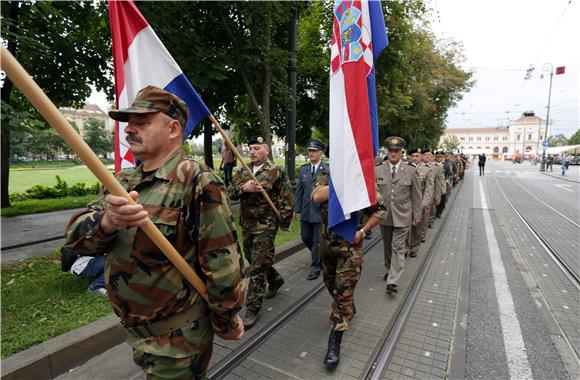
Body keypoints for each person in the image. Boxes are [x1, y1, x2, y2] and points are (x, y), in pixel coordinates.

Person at [63, 86, 245, 379]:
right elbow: (75, 241)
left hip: (179, 342)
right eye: (129, 122)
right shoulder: (122, 181)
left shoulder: (197, 181)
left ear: (173, 129)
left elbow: (222, 263)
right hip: (137, 336)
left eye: (142, 121)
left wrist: (225, 321)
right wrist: (108, 222)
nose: (129, 130)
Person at [311, 168, 385, 369]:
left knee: (343, 292)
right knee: (331, 285)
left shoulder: (362, 178)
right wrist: (342, 187)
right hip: (327, 247)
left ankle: (335, 341)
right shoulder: (327, 174)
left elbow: (380, 210)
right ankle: (347, 307)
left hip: (350, 249)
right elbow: (316, 196)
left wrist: (363, 230)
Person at [227, 135, 294, 329]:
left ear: (266, 149)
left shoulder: (276, 171)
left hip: (266, 226)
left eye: (257, 148)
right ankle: (275, 279)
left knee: (256, 268)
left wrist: (284, 221)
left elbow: (287, 198)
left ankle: (252, 308)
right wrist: (243, 188)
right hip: (247, 225)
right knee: (254, 258)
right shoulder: (243, 170)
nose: (252, 151)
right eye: (251, 148)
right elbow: (230, 192)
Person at [375, 137, 422, 295]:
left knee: (398, 247)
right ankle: (390, 269)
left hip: (403, 215)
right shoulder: (378, 169)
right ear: (387, 151)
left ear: (402, 152)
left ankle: (393, 281)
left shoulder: (411, 170)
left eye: (396, 151)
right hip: (384, 216)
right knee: (388, 247)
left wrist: (417, 214)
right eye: (391, 151)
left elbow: (416, 194)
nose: (393, 154)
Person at [294, 139, 329, 280]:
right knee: (306, 237)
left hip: (320, 212)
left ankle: (315, 266)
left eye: (314, 151)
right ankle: (319, 256)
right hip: (306, 211)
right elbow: (299, 192)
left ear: (321, 152)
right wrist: (296, 210)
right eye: (309, 151)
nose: (311, 153)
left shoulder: (327, 170)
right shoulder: (304, 169)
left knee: (316, 241)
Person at [406, 148, 434, 258]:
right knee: (404, 228)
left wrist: (424, 203)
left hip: (420, 203)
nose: (414, 158)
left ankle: (414, 247)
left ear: (421, 157)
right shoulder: (405, 168)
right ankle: (405, 247)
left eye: (416, 156)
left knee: (417, 228)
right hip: (406, 203)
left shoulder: (427, 170)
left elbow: (429, 188)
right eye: (412, 156)